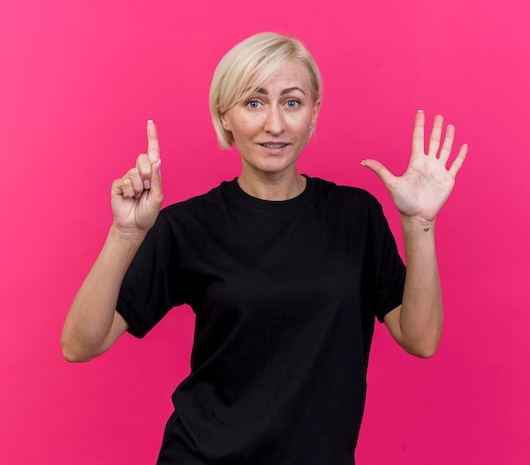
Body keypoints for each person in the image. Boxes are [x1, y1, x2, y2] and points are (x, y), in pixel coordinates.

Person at [61, 32, 467, 464]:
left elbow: (421, 338)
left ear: (313, 114)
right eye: (254, 102)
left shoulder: (356, 216)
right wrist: (124, 234)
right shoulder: (189, 226)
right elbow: (80, 344)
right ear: (226, 115)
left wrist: (419, 223)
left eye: (291, 102)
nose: (275, 124)